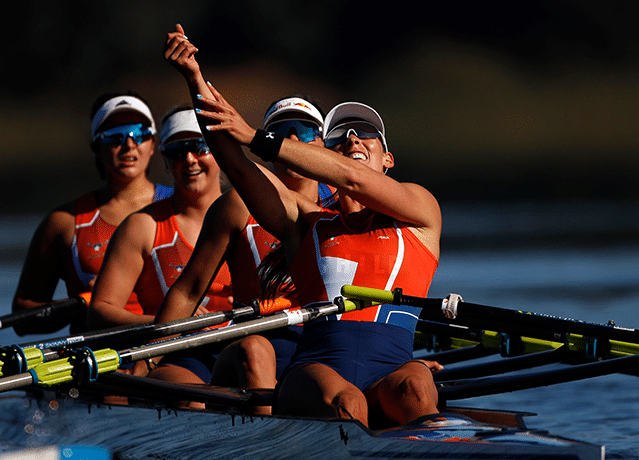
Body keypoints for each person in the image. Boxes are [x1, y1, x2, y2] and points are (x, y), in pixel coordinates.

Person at [166, 24, 443, 428]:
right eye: (341, 138)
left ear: (388, 161)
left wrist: (256, 136)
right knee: (349, 404)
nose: (353, 139)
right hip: (316, 371)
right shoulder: (303, 223)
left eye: (366, 135)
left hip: (393, 367)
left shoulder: (421, 212)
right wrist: (194, 78)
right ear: (327, 158)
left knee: (416, 389)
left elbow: (355, 179)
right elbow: (239, 169)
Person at [87, 105, 229, 385]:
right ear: (164, 160)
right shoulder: (142, 226)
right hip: (171, 352)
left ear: (221, 153)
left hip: (239, 343)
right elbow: (99, 313)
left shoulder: (250, 215)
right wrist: (167, 320)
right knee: (194, 395)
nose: (189, 160)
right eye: (177, 151)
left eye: (200, 147)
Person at [12, 92, 172, 336]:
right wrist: (82, 305)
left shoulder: (182, 206)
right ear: (96, 148)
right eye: (114, 137)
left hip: (171, 345)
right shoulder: (63, 222)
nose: (129, 144)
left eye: (139, 133)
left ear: (153, 145)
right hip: (100, 356)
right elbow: (22, 317)